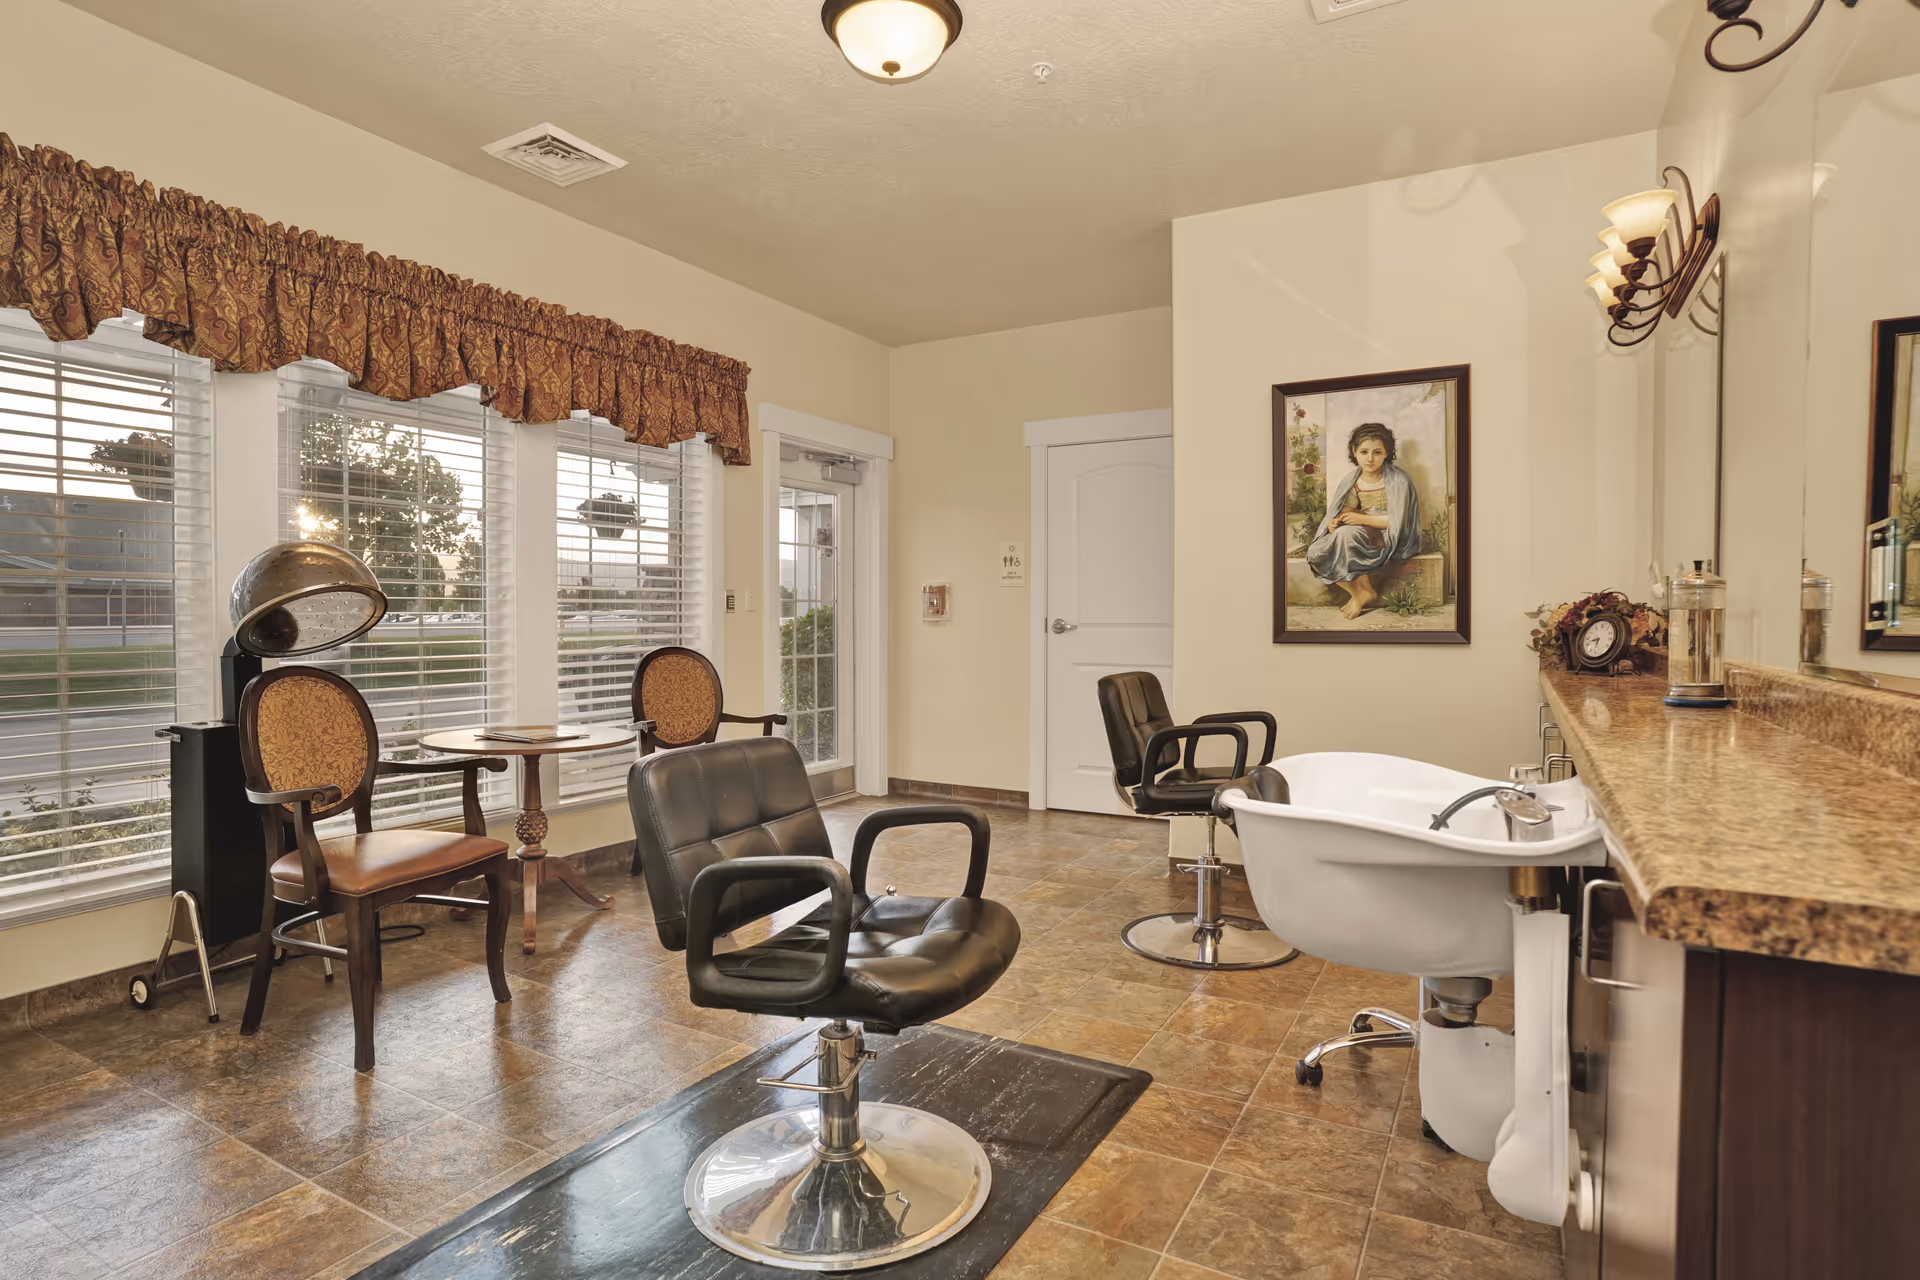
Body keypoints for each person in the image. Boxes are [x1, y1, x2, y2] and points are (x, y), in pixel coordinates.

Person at [1306, 423, 1424, 619]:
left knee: (1347, 535)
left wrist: (1361, 519)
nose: (1370, 458)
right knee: (1316, 552)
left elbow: (1397, 522)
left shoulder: (1398, 480)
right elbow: (1346, 510)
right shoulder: (1352, 481)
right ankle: (1360, 592)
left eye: (1377, 452)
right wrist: (1335, 522)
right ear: (1355, 451)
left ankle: (1364, 593)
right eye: (1364, 452)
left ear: (1386, 453)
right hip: (1364, 531)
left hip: (1387, 534)